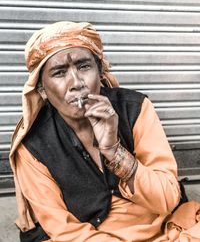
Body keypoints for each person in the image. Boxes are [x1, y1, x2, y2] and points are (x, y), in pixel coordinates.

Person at [10, 21, 200, 242]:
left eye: (84, 66)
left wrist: (113, 150)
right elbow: (63, 229)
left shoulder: (135, 109)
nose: (76, 83)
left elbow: (167, 199)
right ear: (41, 88)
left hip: (159, 227)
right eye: (59, 73)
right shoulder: (33, 144)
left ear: (100, 73)